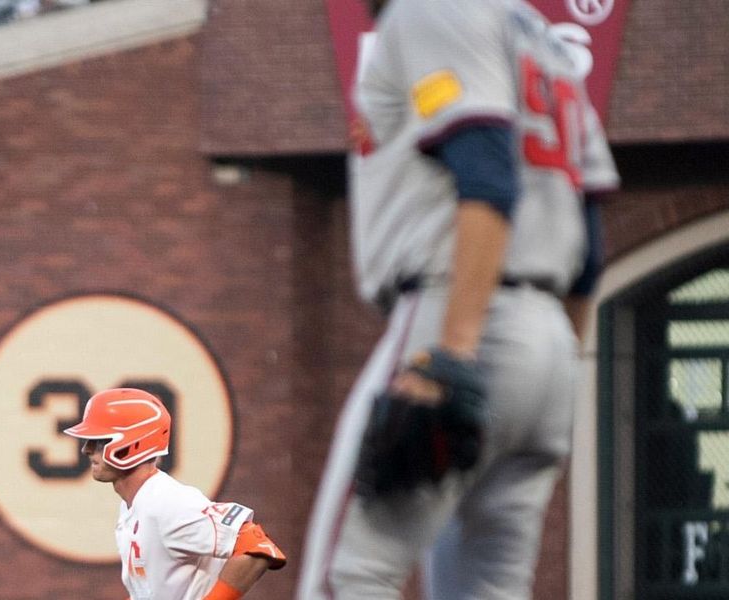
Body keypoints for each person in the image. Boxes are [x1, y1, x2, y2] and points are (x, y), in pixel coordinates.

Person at [297, 0, 619, 598]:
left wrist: (454, 351)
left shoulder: (430, 9)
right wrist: (556, 365)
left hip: (461, 315)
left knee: (350, 576)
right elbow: (592, 247)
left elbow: (487, 178)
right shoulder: (541, 37)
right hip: (550, 341)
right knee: (488, 590)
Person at [64, 387, 286, 600]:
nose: (87, 449)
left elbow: (257, 546)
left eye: (99, 440)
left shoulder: (166, 502)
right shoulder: (134, 505)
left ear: (131, 444)